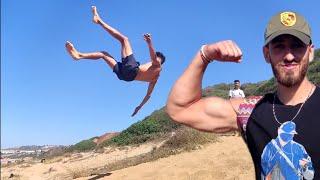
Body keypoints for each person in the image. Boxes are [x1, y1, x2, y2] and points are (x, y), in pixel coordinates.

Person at [166, 11, 319, 179]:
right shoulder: (249, 111)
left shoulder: (297, 150)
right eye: (279, 47)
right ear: (267, 54)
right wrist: (204, 55)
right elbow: (180, 109)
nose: (289, 56)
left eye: (297, 45)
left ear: (310, 52)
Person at [65, 6, 166, 117]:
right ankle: (79, 55)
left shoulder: (157, 65)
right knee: (103, 54)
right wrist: (139, 107)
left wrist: (149, 43)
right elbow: (148, 96)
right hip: (125, 77)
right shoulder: (154, 80)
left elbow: (153, 57)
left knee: (124, 39)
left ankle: (99, 21)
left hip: (131, 69)